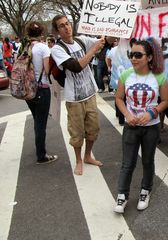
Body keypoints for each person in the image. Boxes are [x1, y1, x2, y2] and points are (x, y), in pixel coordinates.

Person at [114, 37, 168, 213]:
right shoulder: (126, 75)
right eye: (131, 54)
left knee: (147, 161)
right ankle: (122, 195)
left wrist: (151, 113)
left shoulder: (159, 77)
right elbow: (119, 98)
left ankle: (146, 191)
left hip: (151, 127)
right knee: (127, 163)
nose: (134, 58)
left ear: (150, 57)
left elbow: (165, 101)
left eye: (138, 55)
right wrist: (127, 115)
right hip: (131, 126)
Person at [51, 15, 105, 175]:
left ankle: (88, 155)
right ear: (57, 30)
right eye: (62, 26)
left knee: (93, 129)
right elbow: (75, 66)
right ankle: (79, 160)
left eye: (67, 24)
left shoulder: (81, 40)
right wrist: (94, 49)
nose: (66, 27)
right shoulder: (57, 49)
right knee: (77, 132)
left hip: (90, 94)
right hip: (74, 98)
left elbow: (101, 43)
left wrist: (106, 34)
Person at [24, 21, 58, 164]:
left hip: (28, 89)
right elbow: (47, 69)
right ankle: (41, 155)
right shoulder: (43, 48)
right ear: (41, 33)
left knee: (37, 119)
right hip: (41, 88)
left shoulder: (23, 47)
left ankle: (39, 148)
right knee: (41, 123)